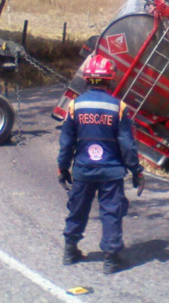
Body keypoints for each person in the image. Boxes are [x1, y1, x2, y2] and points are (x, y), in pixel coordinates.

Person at [57, 54, 145, 275]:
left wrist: (63, 167)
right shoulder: (120, 107)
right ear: (110, 79)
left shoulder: (74, 106)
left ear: (87, 79)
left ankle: (70, 250)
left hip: (83, 170)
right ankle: (111, 259)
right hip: (111, 171)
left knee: (77, 208)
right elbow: (127, 144)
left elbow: (66, 141)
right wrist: (136, 171)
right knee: (111, 212)